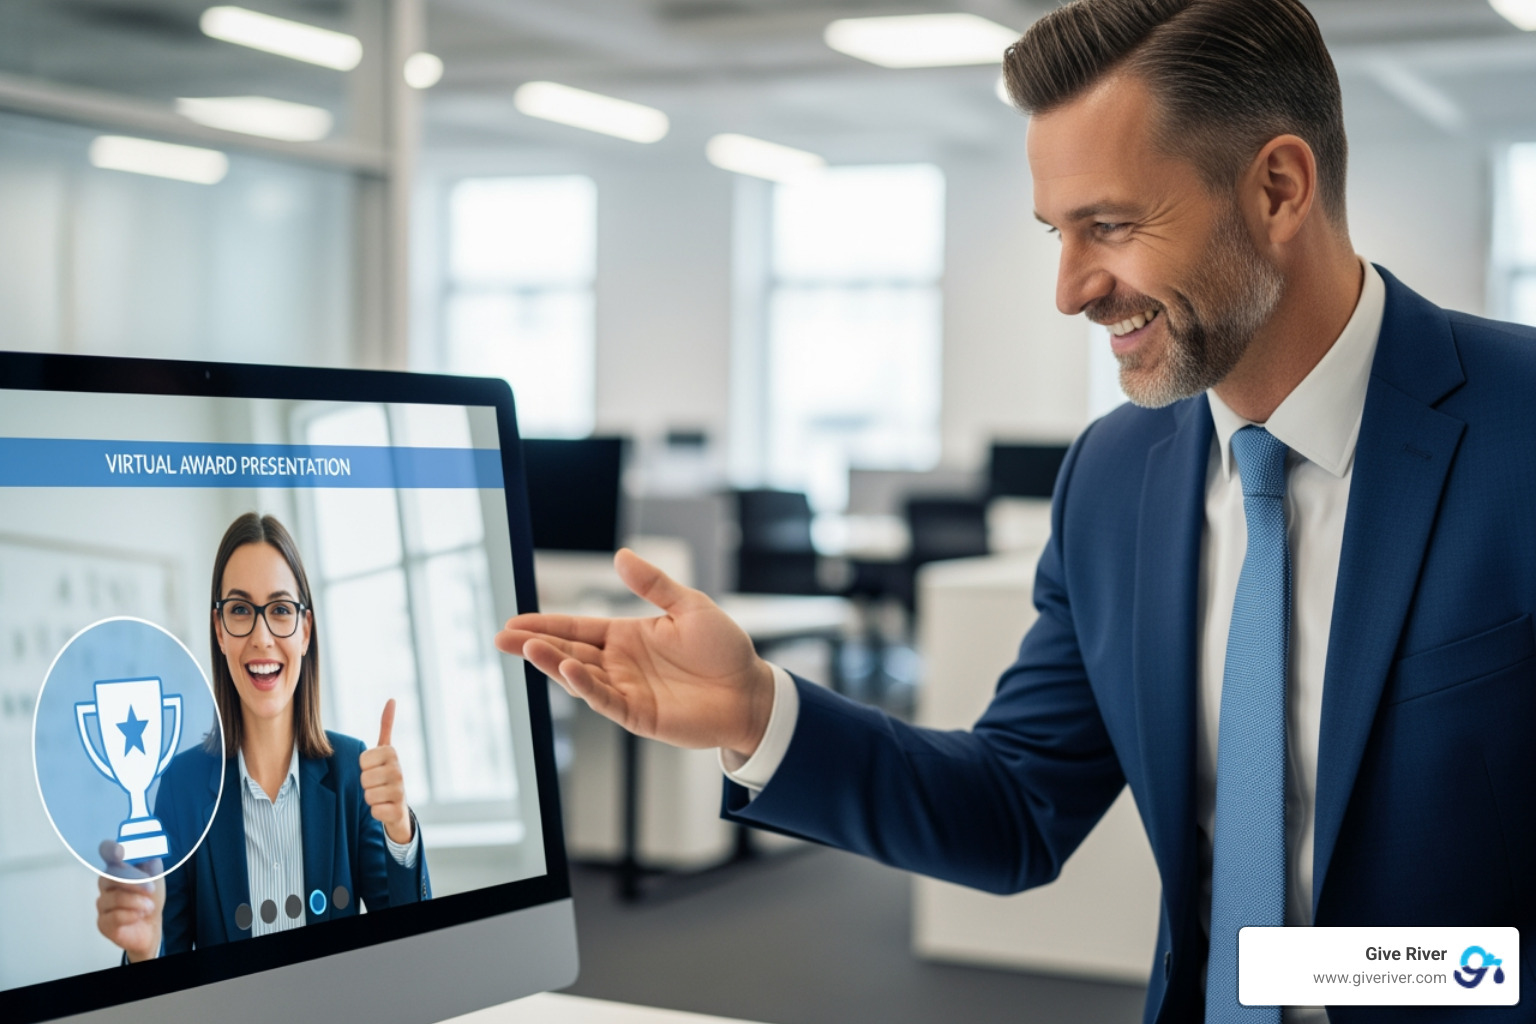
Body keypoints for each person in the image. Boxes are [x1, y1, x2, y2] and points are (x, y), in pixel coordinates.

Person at [496, 1, 1533, 1022]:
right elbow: (1017, 806)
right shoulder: (1116, 477)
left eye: (1110, 226)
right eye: (1057, 233)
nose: (1071, 290)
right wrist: (759, 712)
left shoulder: (1520, 431)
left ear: (1278, 188)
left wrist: (1387, 975)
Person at [96, 512, 431, 961]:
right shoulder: (182, 787)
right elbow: (165, 966)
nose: (261, 637)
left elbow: (414, 952)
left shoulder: (351, 770)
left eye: (279, 610)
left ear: (305, 631)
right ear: (219, 631)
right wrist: (143, 953)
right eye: (240, 610)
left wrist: (400, 831)